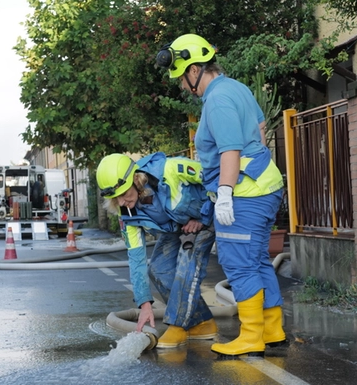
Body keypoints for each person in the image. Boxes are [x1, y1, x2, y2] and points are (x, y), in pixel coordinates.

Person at [157, 34, 286, 357]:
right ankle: (272, 329)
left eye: (183, 78)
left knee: (238, 262)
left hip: (244, 192)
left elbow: (230, 149)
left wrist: (225, 194)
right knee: (257, 260)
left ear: (195, 68)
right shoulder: (237, 88)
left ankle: (252, 336)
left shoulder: (216, 99)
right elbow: (259, 130)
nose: (184, 87)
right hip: (264, 183)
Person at [97, 152, 217, 349]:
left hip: (208, 218)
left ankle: (178, 325)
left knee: (187, 265)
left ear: (136, 179)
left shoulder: (169, 170)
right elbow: (136, 259)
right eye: (115, 198)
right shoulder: (127, 214)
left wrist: (203, 217)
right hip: (178, 226)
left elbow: (214, 178)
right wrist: (144, 304)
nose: (121, 203)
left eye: (124, 194)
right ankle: (202, 323)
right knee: (158, 268)